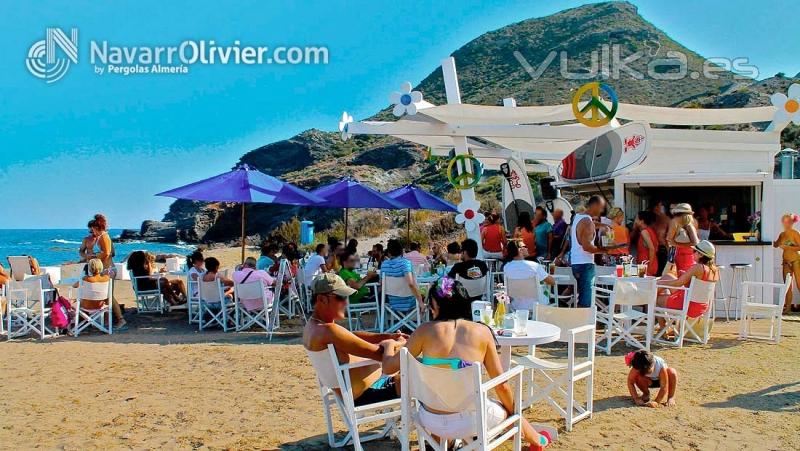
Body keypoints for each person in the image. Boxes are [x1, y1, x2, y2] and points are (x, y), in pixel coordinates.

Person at [381, 278, 553, 450]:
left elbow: (388, 367)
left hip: (431, 420)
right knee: (505, 407)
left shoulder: (423, 332)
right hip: (471, 421)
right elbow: (502, 387)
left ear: (435, 306)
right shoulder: (481, 332)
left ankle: (448, 443)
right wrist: (514, 414)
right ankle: (536, 439)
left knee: (441, 392)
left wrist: (389, 346)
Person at [302, 273, 406, 406]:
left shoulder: (313, 327)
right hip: (367, 393)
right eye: (341, 297)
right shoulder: (329, 331)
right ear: (322, 299)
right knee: (417, 376)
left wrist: (387, 337)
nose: (346, 302)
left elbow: (350, 336)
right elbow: (382, 356)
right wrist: (397, 343)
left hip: (349, 393)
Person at [657, 240, 720, 321]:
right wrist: (686, 278)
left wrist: (659, 283)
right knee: (667, 276)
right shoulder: (715, 270)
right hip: (702, 306)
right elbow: (700, 288)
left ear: (700, 254)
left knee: (654, 298)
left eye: (694, 251)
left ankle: (663, 329)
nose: (692, 253)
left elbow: (678, 283)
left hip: (688, 306)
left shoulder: (698, 267)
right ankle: (668, 327)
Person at [571, 196, 617, 308]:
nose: (601, 211)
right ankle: (584, 324)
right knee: (586, 301)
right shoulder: (587, 222)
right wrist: (604, 250)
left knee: (581, 297)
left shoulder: (579, 217)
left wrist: (602, 225)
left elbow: (588, 226)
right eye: (601, 208)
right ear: (595, 205)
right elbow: (587, 247)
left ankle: (579, 322)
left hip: (576, 262)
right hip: (585, 264)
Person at [502, 241, 555, 310]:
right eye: (525, 247)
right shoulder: (534, 266)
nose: (527, 248)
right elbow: (552, 282)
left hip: (516, 306)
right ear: (520, 250)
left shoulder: (506, 267)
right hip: (536, 305)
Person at [381, 239, 424, 314]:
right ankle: (417, 322)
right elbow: (411, 284)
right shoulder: (405, 263)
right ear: (401, 251)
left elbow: (381, 283)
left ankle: (400, 322)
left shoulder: (384, 264)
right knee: (425, 293)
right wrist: (420, 301)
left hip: (392, 303)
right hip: (410, 303)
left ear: (389, 253)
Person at [774, 213, 800, 313]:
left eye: (789, 221)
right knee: (787, 286)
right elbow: (776, 244)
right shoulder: (782, 234)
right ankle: (788, 308)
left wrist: (787, 247)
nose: (786, 223)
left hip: (796, 260)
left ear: (793, 222)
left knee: (799, 284)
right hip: (786, 262)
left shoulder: (795, 233)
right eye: (784, 221)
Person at [667, 203, 700, 274]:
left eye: (678, 214)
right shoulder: (688, 225)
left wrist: (675, 243)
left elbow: (696, 243)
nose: (675, 217)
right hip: (684, 256)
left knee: (682, 280)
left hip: (684, 258)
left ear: (683, 216)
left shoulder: (689, 226)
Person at [635, 211, 659, 276]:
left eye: (637, 219)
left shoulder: (644, 232)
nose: (635, 221)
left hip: (645, 263)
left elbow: (652, 248)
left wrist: (650, 265)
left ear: (642, 221)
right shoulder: (650, 230)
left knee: (643, 284)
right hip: (647, 262)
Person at [651, 201, 671, 275]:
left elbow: (669, 238)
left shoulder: (667, 220)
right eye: (659, 206)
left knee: (660, 273)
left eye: (660, 206)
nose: (659, 208)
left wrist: (670, 253)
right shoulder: (650, 218)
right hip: (650, 249)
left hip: (662, 249)